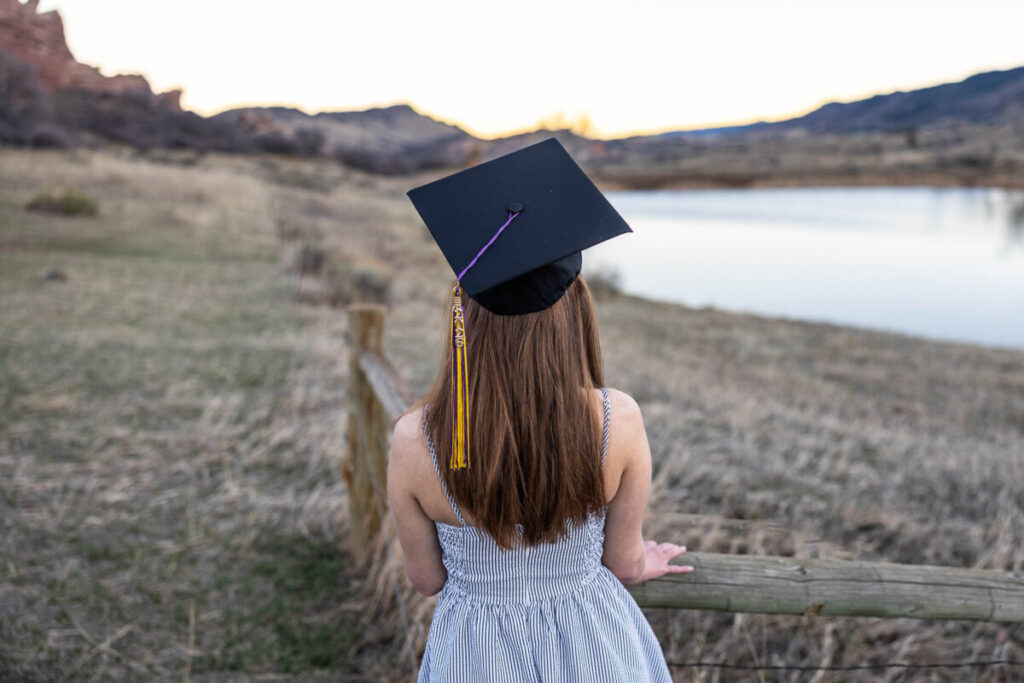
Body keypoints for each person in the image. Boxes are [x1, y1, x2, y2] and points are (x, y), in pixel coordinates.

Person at [387, 138, 693, 682]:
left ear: (468, 321)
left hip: (474, 657)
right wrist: (646, 559)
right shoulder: (616, 420)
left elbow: (427, 580)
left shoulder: (415, 440)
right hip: (594, 647)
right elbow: (623, 564)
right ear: (575, 313)